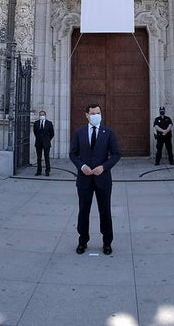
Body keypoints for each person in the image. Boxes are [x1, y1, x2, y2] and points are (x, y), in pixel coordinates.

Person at [69, 103, 122, 254]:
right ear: (87, 115)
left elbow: (116, 154)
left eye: (98, 113)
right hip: (84, 179)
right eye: (93, 113)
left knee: (105, 211)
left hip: (103, 179)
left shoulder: (108, 132)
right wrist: (82, 166)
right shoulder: (79, 132)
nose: (96, 116)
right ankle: (83, 241)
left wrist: (104, 167)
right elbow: (73, 154)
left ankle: (107, 242)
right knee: (83, 211)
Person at [33, 110, 54, 175]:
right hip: (38, 143)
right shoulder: (36, 123)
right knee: (39, 157)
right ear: (39, 116)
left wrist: (48, 139)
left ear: (45, 115)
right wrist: (39, 138)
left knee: (46, 157)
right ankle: (39, 171)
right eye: (40, 115)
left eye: (43, 115)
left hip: (46, 143)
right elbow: (35, 132)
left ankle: (47, 171)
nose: (42, 116)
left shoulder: (49, 123)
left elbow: (52, 133)